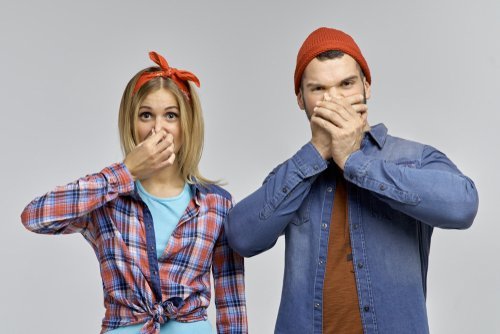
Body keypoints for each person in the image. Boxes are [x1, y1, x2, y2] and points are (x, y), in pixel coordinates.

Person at [224, 27, 478, 334]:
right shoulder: (294, 174)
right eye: (319, 89)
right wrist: (317, 153)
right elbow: (242, 237)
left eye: (346, 84)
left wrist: (355, 163)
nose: (335, 100)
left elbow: (463, 206)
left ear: (366, 86)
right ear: (300, 99)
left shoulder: (413, 158)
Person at [21, 51, 247, 334]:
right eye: (146, 115)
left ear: (187, 124)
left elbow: (232, 305)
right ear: (131, 123)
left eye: (171, 115)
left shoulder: (217, 205)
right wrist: (124, 172)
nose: (158, 128)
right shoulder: (108, 200)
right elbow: (35, 216)